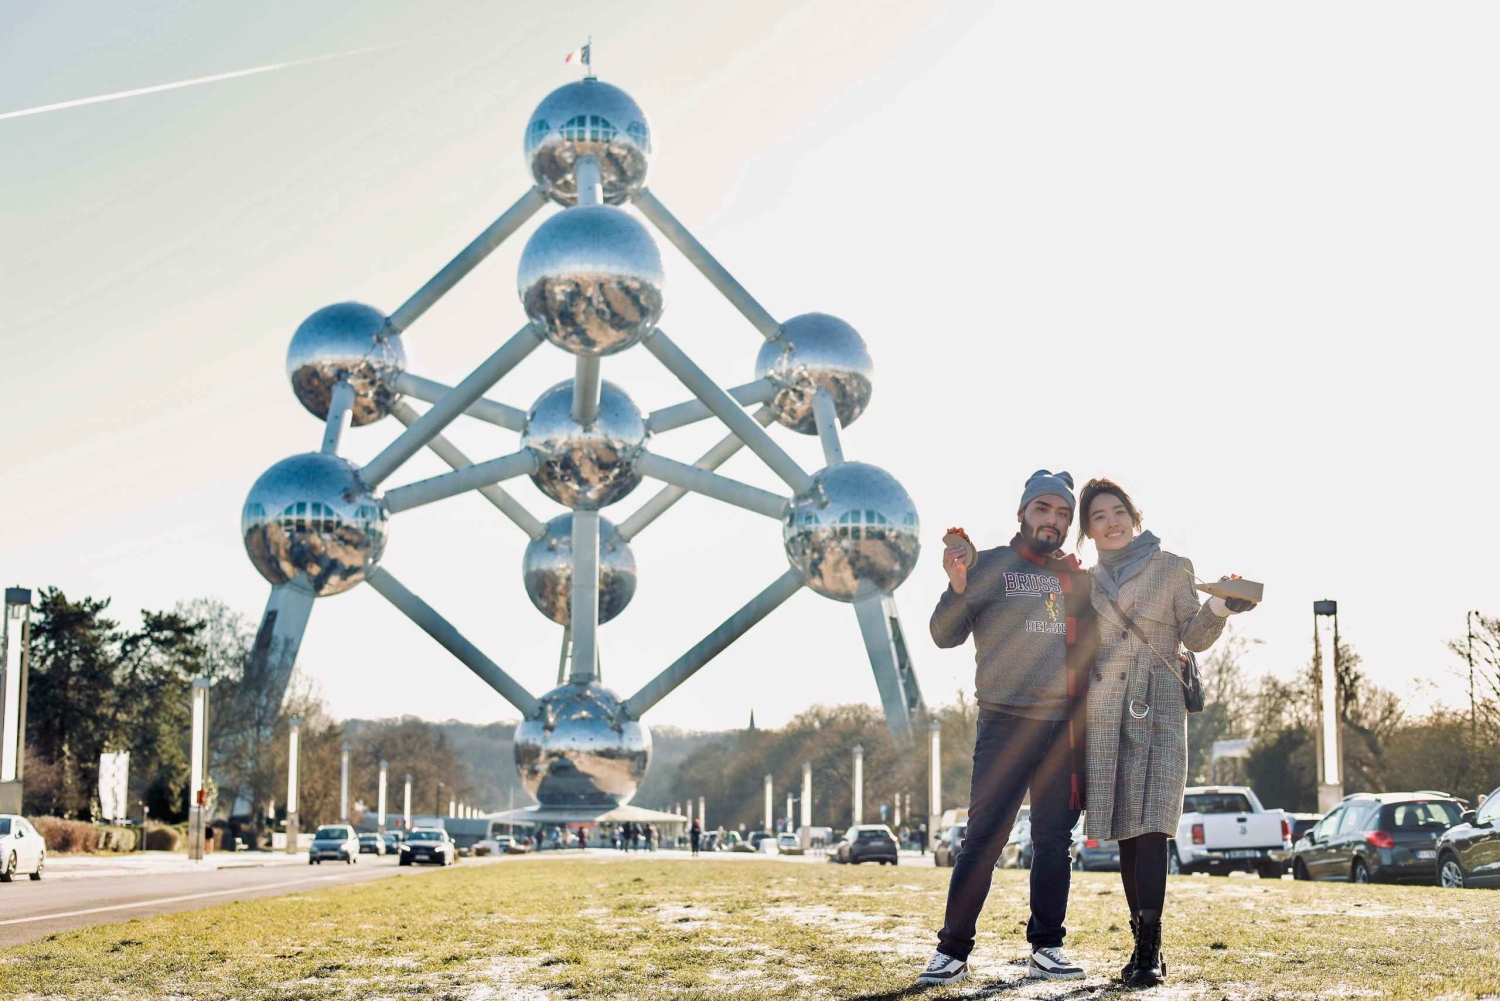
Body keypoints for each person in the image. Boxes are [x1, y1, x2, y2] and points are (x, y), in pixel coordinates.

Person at [918, 470, 1098, 986]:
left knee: (1053, 841)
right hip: (1005, 720)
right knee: (985, 839)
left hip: (1063, 728)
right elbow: (942, 634)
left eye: (1063, 514)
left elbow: (1101, 643)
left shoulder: (1078, 577)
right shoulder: (990, 564)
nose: (1054, 520)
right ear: (1022, 513)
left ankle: (1047, 947)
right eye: (1044, 509)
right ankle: (952, 950)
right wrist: (957, 585)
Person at [1076, 478, 1256, 987]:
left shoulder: (1172, 566)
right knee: (1126, 839)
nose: (1110, 523)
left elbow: (1193, 637)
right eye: (1098, 517)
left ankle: (1151, 950)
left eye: (1117, 512)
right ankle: (1137, 943)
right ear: (1088, 530)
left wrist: (1220, 607)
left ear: (1134, 516)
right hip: (1106, 709)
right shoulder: (1085, 581)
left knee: (1154, 827)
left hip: (1158, 708)